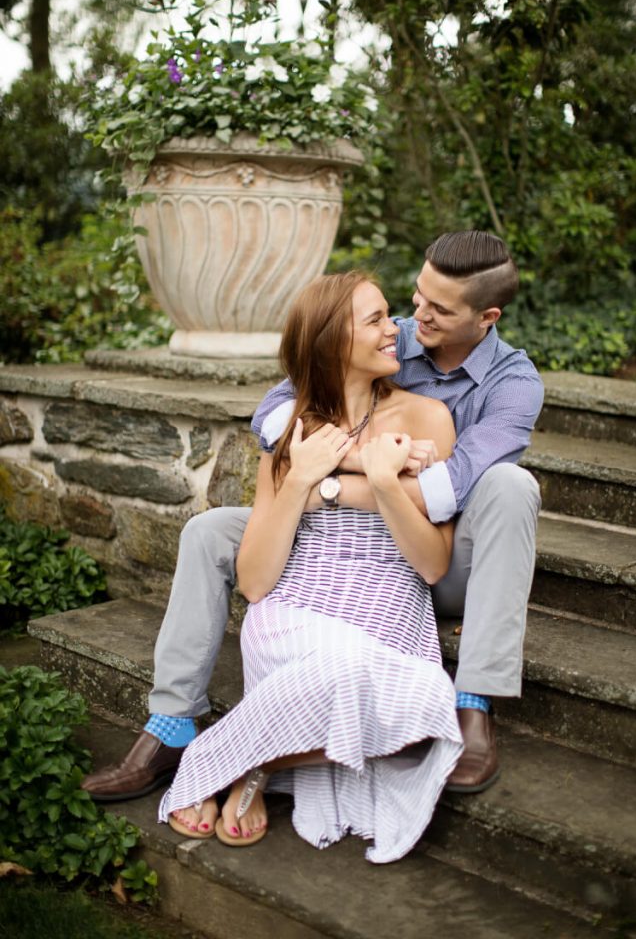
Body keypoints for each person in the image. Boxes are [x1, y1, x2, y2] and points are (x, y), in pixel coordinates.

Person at [83, 229, 543, 815]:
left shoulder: (513, 385)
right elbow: (274, 415)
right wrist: (340, 465)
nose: (413, 317)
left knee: (510, 486)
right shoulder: (388, 334)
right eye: (417, 296)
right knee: (208, 531)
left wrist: (345, 478)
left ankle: (473, 702)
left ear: (487, 316)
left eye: (438, 309)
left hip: (446, 557)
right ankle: (171, 725)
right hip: (337, 517)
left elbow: (445, 489)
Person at [158, 272, 463, 862]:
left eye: (387, 315)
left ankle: (231, 762)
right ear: (330, 341)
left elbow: (431, 565)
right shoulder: (292, 428)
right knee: (343, 667)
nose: (393, 329)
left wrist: (385, 482)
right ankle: (248, 764)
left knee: (428, 702)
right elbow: (254, 581)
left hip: (390, 610)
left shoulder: (429, 420)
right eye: (374, 320)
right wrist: (299, 476)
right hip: (297, 606)